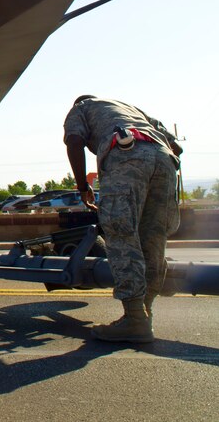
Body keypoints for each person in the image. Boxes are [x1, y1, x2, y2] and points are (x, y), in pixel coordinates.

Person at [64, 95, 182, 343]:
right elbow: (177, 148)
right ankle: (145, 313)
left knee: (121, 233)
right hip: (164, 158)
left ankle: (135, 319)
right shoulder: (130, 109)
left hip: (126, 153)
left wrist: (83, 186)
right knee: (153, 237)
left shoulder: (82, 108)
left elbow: (74, 141)